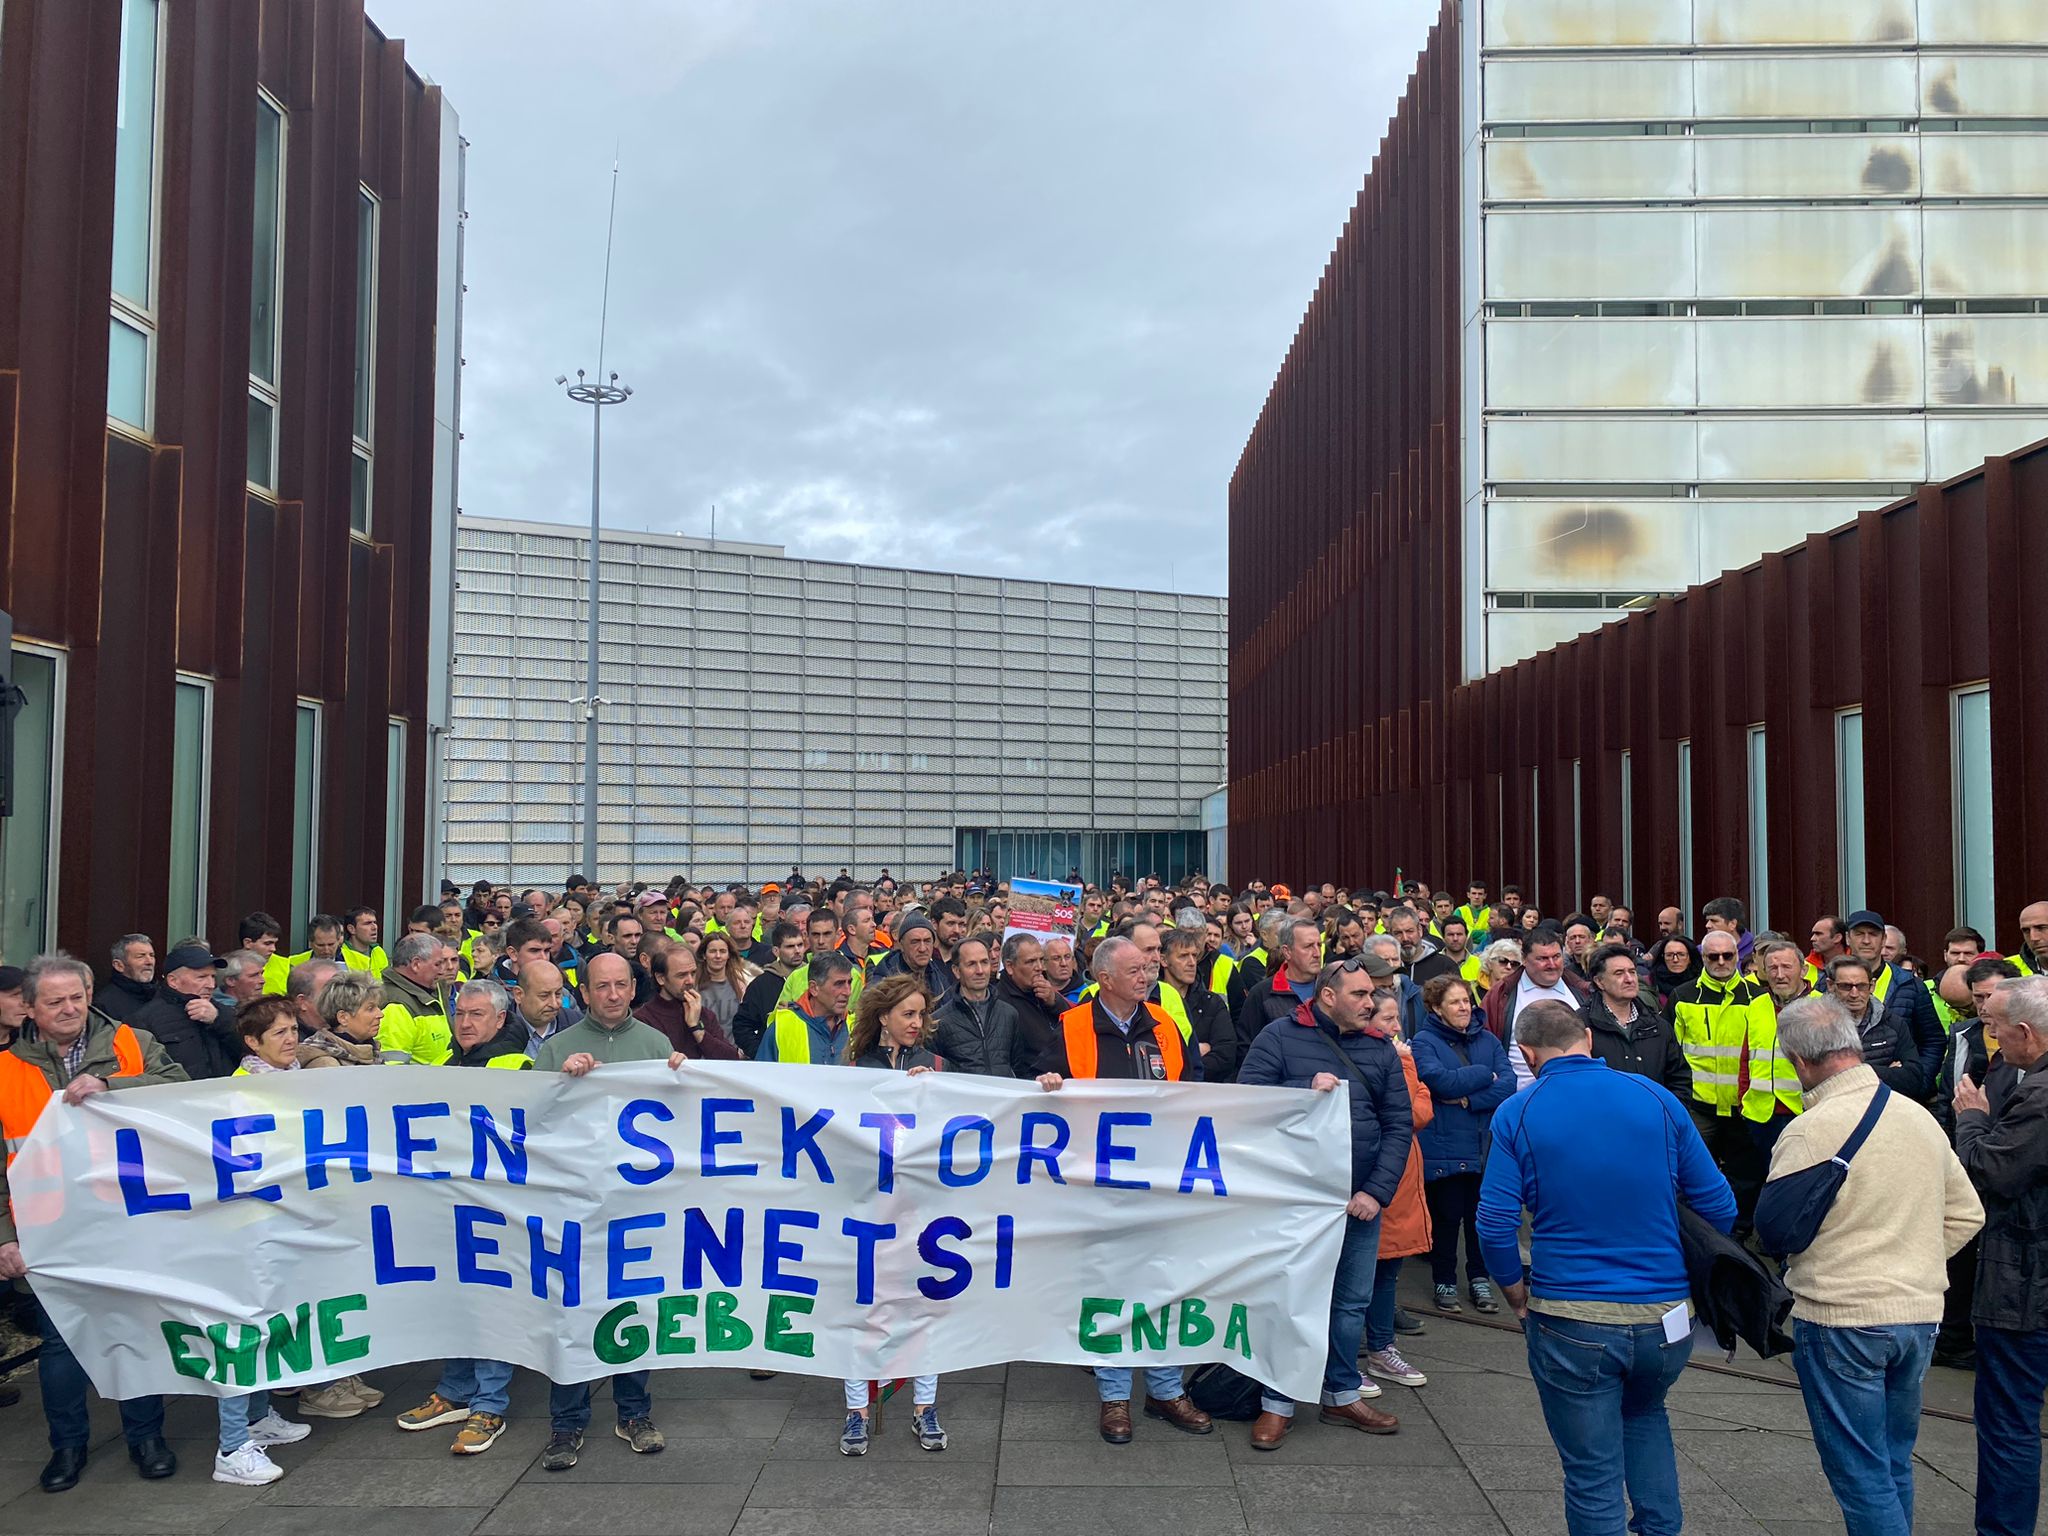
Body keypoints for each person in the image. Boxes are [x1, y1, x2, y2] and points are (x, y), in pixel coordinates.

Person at [1479, 1000, 1737, 1536]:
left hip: (1571, 1315)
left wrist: (1516, 1296)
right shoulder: (1658, 1098)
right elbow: (1720, 1207)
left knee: (1592, 1473)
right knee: (1646, 1421)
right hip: (1665, 1317)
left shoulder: (1518, 1112)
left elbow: (1495, 1224)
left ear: (1527, 1054)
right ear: (1589, 1041)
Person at [1760, 996, 1982, 1536]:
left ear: (1798, 1060)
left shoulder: (1810, 1130)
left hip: (1841, 1317)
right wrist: (1912, 1258)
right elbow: (1968, 1213)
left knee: (1860, 1474)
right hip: (1919, 1313)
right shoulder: (1920, 1119)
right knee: (1891, 1461)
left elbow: (1773, 1232)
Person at [0, 953, 189, 1492]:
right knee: (62, 1344)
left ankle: (146, 1438)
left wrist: (114, 1089)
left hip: (128, 1217)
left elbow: (184, 1094)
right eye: (54, 1001)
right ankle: (68, 1447)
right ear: (30, 1009)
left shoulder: (132, 1043)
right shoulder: (5, 1070)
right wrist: (5, 1239)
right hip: (49, 1228)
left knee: (134, 1328)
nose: (69, 1009)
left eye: (77, 998)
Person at [1032, 937, 1212, 1443]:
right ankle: (1114, 1397)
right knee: (1110, 1287)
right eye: (1135, 968)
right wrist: (1047, 1082)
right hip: (1099, 1183)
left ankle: (1164, 1389)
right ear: (1104, 978)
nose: (1147, 974)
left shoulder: (1166, 1025)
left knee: (1164, 1282)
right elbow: (1038, 1090)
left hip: (1160, 1178)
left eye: (1149, 967)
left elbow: (1195, 1090)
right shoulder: (1071, 1027)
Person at [1237, 958, 1410, 1447]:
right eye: (1359, 994)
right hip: (1294, 1201)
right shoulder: (1278, 1035)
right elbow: (1246, 1099)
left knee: (1350, 1302)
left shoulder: (1380, 1050)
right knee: (1286, 1299)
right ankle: (1277, 1401)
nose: (1370, 1003)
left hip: (1356, 1201)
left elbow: (1398, 1125)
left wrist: (1376, 1192)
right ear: (1327, 997)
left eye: (1372, 995)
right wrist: (1301, 1090)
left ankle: (1340, 1392)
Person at [529, 953, 668, 1468]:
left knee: (634, 1308)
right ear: (583, 993)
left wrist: (680, 1076)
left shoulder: (657, 1046)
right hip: (574, 1209)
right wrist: (560, 1084)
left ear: (634, 989)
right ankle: (566, 1423)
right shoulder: (557, 1048)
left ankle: (634, 1412)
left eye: (620, 985)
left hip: (635, 1207)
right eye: (600, 986)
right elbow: (532, 1125)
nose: (611, 994)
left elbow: (680, 1122)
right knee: (569, 1313)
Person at [838, 973, 949, 1452]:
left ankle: (926, 1408)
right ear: (883, 1016)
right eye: (907, 1013)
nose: (916, 1022)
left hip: (920, 1210)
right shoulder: (853, 1067)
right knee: (861, 1311)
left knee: (924, 1309)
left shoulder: (937, 1065)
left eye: (921, 1014)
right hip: (867, 1209)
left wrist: (936, 1092)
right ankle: (856, 1411)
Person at [1954, 976, 2048, 1536]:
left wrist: (1971, 1117)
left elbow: (1987, 1170)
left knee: (2009, 1421)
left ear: (2025, 1033)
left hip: (2024, 1280)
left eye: (1996, 1029)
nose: (1993, 1042)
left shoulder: (2037, 1096)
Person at [1412, 974, 1516, 1314]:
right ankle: (1445, 1280)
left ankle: (1479, 1278)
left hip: (1484, 1143)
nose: (1464, 1007)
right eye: (1454, 1002)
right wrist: (1485, 1075)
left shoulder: (1488, 1040)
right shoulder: (1425, 1041)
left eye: (1466, 1000)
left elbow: (1509, 1084)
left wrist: (1469, 1100)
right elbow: (1439, 1082)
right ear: (1436, 1007)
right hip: (1445, 1144)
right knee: (1447, 1216)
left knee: (1478, 1217)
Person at [1360, 989, 1434, 1390]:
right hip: (1382, 1177)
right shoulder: (1391, 1061)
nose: (1397, 1027)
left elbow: (1421, 1108)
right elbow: (1416, 1110)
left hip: (1400, 1178)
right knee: (1366, 1272)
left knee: (1388, 1272)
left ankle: (1381, 1347)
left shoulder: (1395, 1059)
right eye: (1388, 1019)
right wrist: (1408, 1065)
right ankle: (1362, 1350)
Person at [1672, 929, 1771, 1222]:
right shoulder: (1683, 995)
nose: (1720, 961)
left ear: (1738, 956)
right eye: (1713, 956)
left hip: (1743, 1104)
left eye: (1727, 955)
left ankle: (1739, 1230)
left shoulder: (1757, 997)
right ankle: (1698, 1230)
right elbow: (1672, 1052)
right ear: (1703, 958)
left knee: (1745, 1173)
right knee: (1693, 1172)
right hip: (1699, 1105)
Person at [1842, 911, 1944, 1101]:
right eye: (1859, 934)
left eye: (1873, 934)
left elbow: (1933, 1041)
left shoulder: (1910, 985)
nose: (1866, 940)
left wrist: (1919, 1084)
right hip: (1845, 1097)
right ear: (1848, 938)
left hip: (1901, 1097)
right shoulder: (1827, 985)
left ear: (1883, 940)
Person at [1582, 942, 1691, 1100]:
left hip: (1655, 1120)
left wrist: (1668, 1115)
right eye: (1619, 973)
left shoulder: (1658, 1025)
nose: (1629, 979)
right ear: (1599, 982)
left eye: (1632, 972)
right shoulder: (1581, 1025)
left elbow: (1680, 1079)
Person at [1485, 927, 1586, 1089]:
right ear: (1524, 959)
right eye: (1542, 958)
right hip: (1519, 1098)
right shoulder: (1501, 995)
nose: (1551, 965)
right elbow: (1486, 1045)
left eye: (1556, 957)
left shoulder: (1582, 991)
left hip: (1577, 1093)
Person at [130, 944, 239, 1080]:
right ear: (173, 981)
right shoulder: (145, 1019)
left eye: (212, 977)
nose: (211, 985)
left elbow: (252, 1049)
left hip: (226, 1095)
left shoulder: (223, 1012)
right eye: (201, 977)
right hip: (177, 1097)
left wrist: (218, 1019)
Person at [1826, 957, 1927, 1101]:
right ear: (1830, 985)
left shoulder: (1893, 1024)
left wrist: (1853, 1071)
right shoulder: (1816, 1026)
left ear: (1872, 985)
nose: (1854, 994)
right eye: (1846, 986)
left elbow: (1912, 1080)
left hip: (1882, 1112)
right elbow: (1816, 1080)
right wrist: (1887, 1073)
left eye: (1861, 986)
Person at [930, 934, 1019, 1076]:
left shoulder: (1009, 1014)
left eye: (984, 962)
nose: (980, 971)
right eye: (971, 964)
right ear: (956, 971)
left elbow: (1018, 1068)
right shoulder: (939, 1022)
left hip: (1003, 1096)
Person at [1157, 927, 1238, 1081]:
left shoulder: (1212, 1003)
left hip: (1203, 1092)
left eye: (1194, 955)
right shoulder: (1151, 1001)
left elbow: (1225, 1055)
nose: (1192, 963)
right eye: (1183, 956)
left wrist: (1186, 1070)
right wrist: (1194, 1053)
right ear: (1164, 960)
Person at [635, 943, 741, 1060]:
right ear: (661, 978)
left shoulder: (703, 1013)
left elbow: (731, 1059)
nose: (690, 981)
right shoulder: (643, 1019)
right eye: (682, 975)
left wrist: (697, 1030)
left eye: (693, 973)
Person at [758, 949, 856, 1064]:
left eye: (849, 982)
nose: (847, 992)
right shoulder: (782, 1027)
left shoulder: (856, 1027)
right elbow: (761, 1078)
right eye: (839, 984)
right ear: (814, 988)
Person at [375, 932, 452, 1065]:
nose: (443, 970)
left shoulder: (431, 992)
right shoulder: (396, 1007)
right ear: (416, 964)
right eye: (438, 964)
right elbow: (391, 1069)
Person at [731, 920, 804, 1058]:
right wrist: (761, 1053)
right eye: (790, 946)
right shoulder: (761, 984)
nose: (797, 951)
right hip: (772, 1063)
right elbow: (742, 1025)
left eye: (800, 945)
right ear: (776, 951)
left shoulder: (814, 978)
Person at [231, 996, 303, 1075]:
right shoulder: (241, 1084)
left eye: (294, 1029)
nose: (291, 1039)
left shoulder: (301, 1072)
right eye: (280, 1032)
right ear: (252, 1042)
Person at [1648, 935, 1701, 1013]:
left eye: (1681, 954)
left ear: (1690, 957)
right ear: (1663, 957)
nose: (1675, 960)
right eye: (1669, 955)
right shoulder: (1649, 982)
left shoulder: (1701, 982)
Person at [339, 906, 389, 977]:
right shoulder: (341, 954)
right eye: (367, 923)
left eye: (374, 922)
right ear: (351, 929)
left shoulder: (378, 951)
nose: (374, 927)